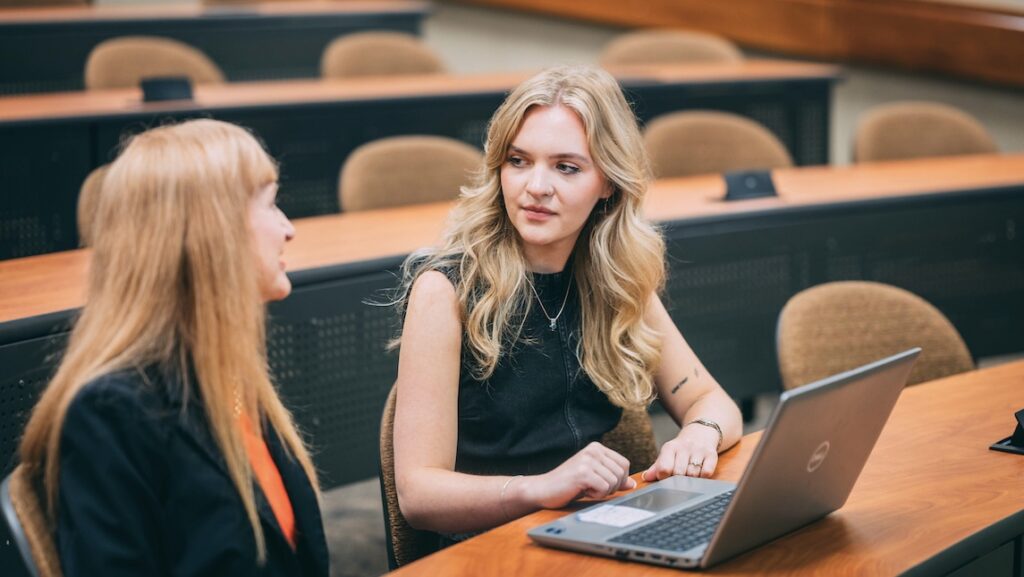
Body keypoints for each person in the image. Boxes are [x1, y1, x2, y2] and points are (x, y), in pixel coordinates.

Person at [390, 65, 743, 544]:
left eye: (566, 167)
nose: (536, 186)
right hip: (488, 542)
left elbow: (712, 401)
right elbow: (418, 494)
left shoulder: (614, 279)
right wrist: (540, 490)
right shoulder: (445, 290)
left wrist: (699, 433)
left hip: (588, 529)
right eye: (518, 160)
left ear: (609, 184)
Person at [14, 119, 329, 576]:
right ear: (210, 234)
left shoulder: (227, 377)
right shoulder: (110, 415)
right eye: (271, 204)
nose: (288, 228)